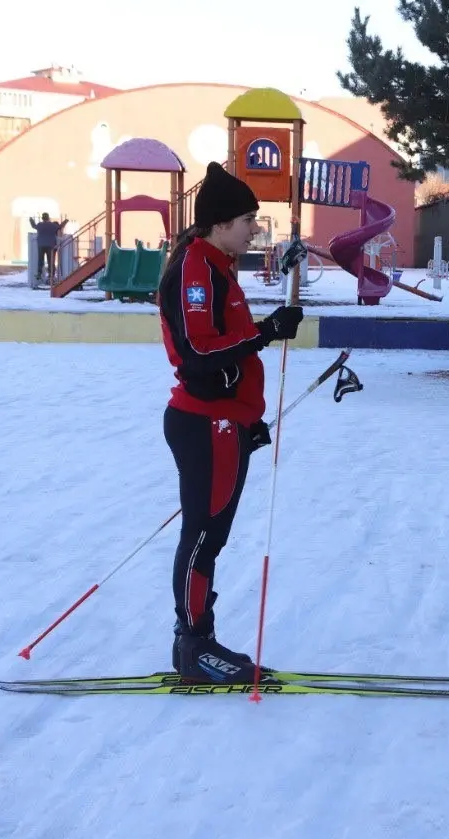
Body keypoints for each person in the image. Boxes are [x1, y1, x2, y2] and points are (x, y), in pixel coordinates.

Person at [158, 162, 303, 684]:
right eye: (247, 219)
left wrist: (248, 420)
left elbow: (230, 352)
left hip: (223, 423)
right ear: (219, 222)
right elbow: (199, 352)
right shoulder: (196, 267)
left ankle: (196, 639)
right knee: (203, 536)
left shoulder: (218, 265)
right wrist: (267, 331)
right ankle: (194, 643)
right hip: (203, 423)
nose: (253, 229)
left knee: (209, 535)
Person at [29, 213, 69, 282]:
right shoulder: (52, 225)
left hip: (41, 244)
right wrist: (66, 221)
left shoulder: (40, 225)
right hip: (51, 245)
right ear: (48, 218)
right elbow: (60, 226)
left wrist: (31, 220)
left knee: (40, 260)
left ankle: (39, 273)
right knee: (51, 261)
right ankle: (51, 275)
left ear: (42, 218)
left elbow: (33, 226)